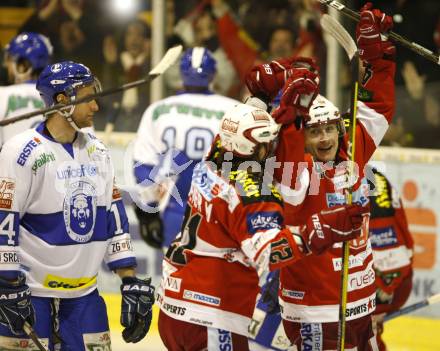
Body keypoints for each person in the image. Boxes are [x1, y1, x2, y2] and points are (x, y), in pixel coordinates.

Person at [244, 3, 397, 349]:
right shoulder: (290, 170)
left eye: (330, 129)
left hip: (360, 303)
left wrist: (378, 62)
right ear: (301, 135)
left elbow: (380, 108)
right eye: (314, 132)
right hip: (315, 309)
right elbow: (291, 158)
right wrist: (292, 109)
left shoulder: (352, 151)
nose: (325, 138)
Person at [157, 101, 367, 350]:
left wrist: (266, 101)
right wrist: (319, 229)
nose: (276, 148)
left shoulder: (211, 161)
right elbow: (270, 254)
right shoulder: (253, 192)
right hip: (211, 315)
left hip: (172, 307)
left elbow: (231, 131)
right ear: (255, 148)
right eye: (269, 143)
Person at [0, 61, 154, 350]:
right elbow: (4, 221)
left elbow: (113, 217)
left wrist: (129, 279)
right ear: (62, 102)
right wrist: (7, 285)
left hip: (85, 298)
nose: (95, 106)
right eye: (87, 98)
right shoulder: (20, 151)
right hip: (30, 296)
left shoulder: (97, 150)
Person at [132, 46, 240, 250]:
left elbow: (144, 167)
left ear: (181, 72)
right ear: (213, 74)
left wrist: (148, 209)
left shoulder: (158, 110)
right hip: (222, 215)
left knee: (176, 279)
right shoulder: (234, 109)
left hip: (175, 213)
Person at [367, 167, 414, 351]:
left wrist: (382, 294)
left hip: (385, 284)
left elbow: (392, 254)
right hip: (379, 281)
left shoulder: (368, 178)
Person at [0, 32, 53, 147]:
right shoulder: (60, 96)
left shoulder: (2, 95)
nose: (6, 66)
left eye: (9, 60)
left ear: (22, 65)